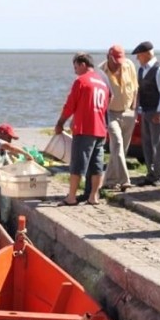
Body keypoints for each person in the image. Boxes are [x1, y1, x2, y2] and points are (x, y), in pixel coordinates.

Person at [55, 52, 110, 206]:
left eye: (76, 67)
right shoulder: (102, 83)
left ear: (83, 64)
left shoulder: (81, 81)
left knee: (77, 165)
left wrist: (60, 123)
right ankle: (93, 196)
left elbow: (70, 105)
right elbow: (106, 106)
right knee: (97, 165)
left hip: (85, 129)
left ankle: (71, 197)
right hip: (100, 129)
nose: (75, 71)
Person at [100, 44, 139, 192]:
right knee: (116, 144)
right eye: (115, 60)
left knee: (121, 150)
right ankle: (124, 180)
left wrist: (134, 108)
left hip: (128, 112)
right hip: (111, 113)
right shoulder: (101, 71)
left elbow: (135, 88)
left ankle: (109, 181)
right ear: (108, 57)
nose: (118, 63)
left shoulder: (129, 65)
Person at [132, 41, 160, 186]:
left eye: (139, 55)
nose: (137, 58)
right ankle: (151, 173)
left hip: (156, 111)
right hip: (146, 110)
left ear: (147, 54)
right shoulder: (141, 70)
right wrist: (137, 110)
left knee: (158, 144)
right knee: (147, 144)